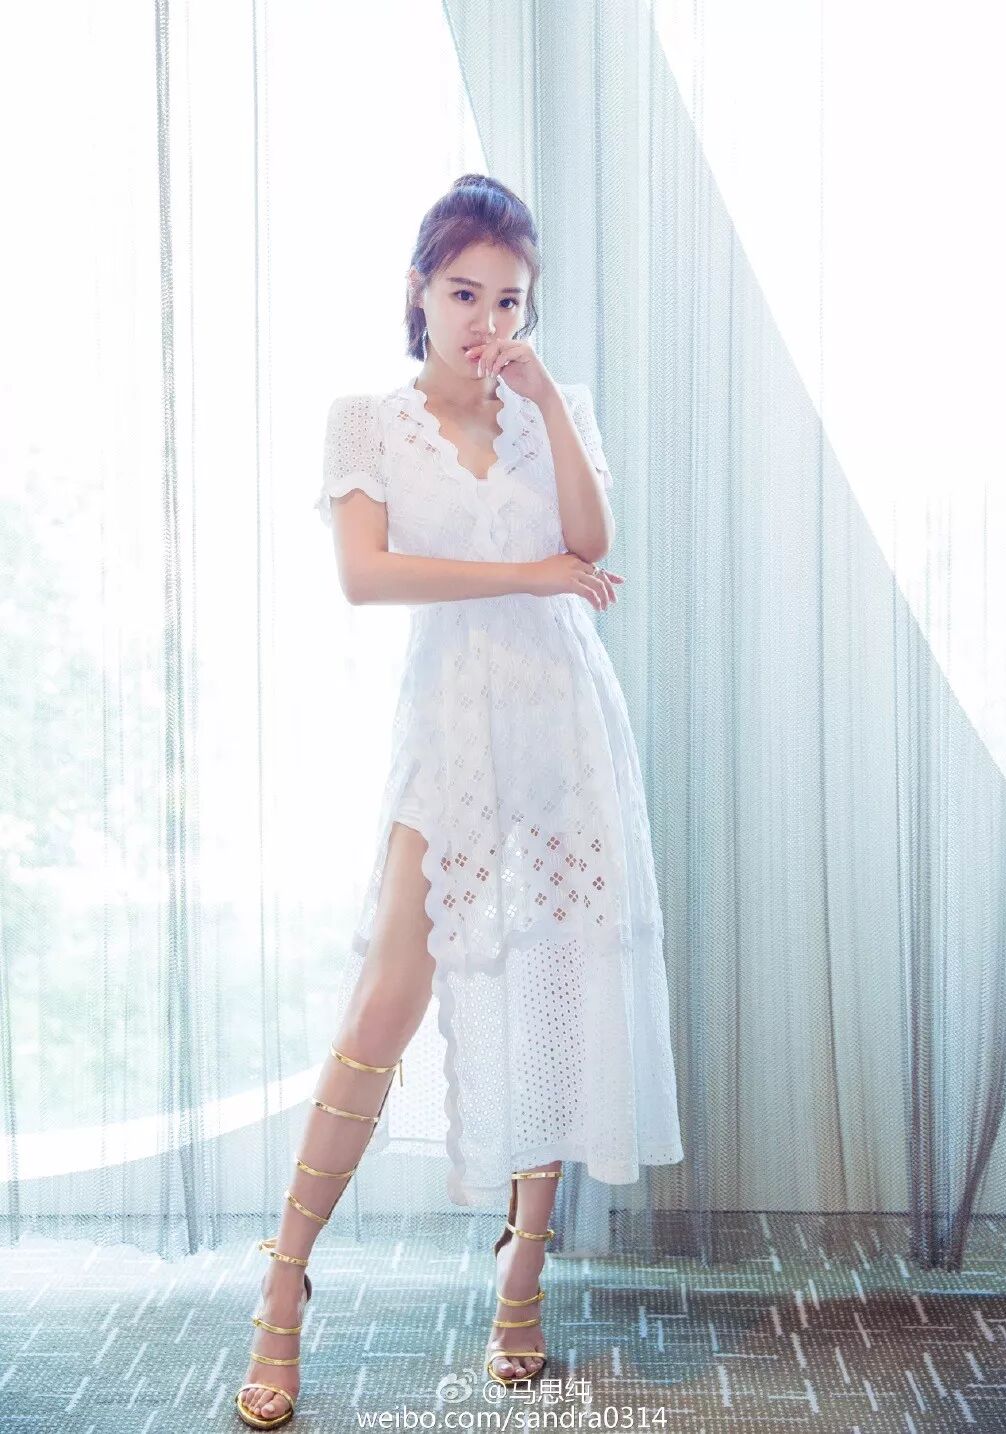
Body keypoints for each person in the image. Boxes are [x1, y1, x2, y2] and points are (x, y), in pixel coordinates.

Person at [236, 174, 683, 1430]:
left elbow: (590, 542)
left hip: (565, 727)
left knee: (555, 987)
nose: (486, 320)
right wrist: (526, 572)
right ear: (419, 292)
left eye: (509, 300)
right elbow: (365, 576)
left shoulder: (551, 405)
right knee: (387, 994)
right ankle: (282, 1284)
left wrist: (547, 405)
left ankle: (521, 1280)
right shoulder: (367, 421)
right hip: (449, 724)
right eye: (463, 292)